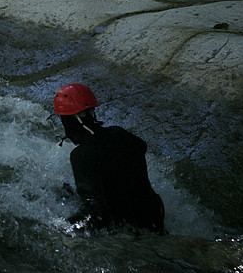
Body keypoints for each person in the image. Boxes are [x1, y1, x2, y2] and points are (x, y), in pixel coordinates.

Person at [54, 83, 165, 234]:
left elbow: (95, 212)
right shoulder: (119, 133)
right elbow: (141, 146)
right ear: (92, 112)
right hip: (154, 214)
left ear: (67, 120)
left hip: (127, 227)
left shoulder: (81, 155)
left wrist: (59, 228)